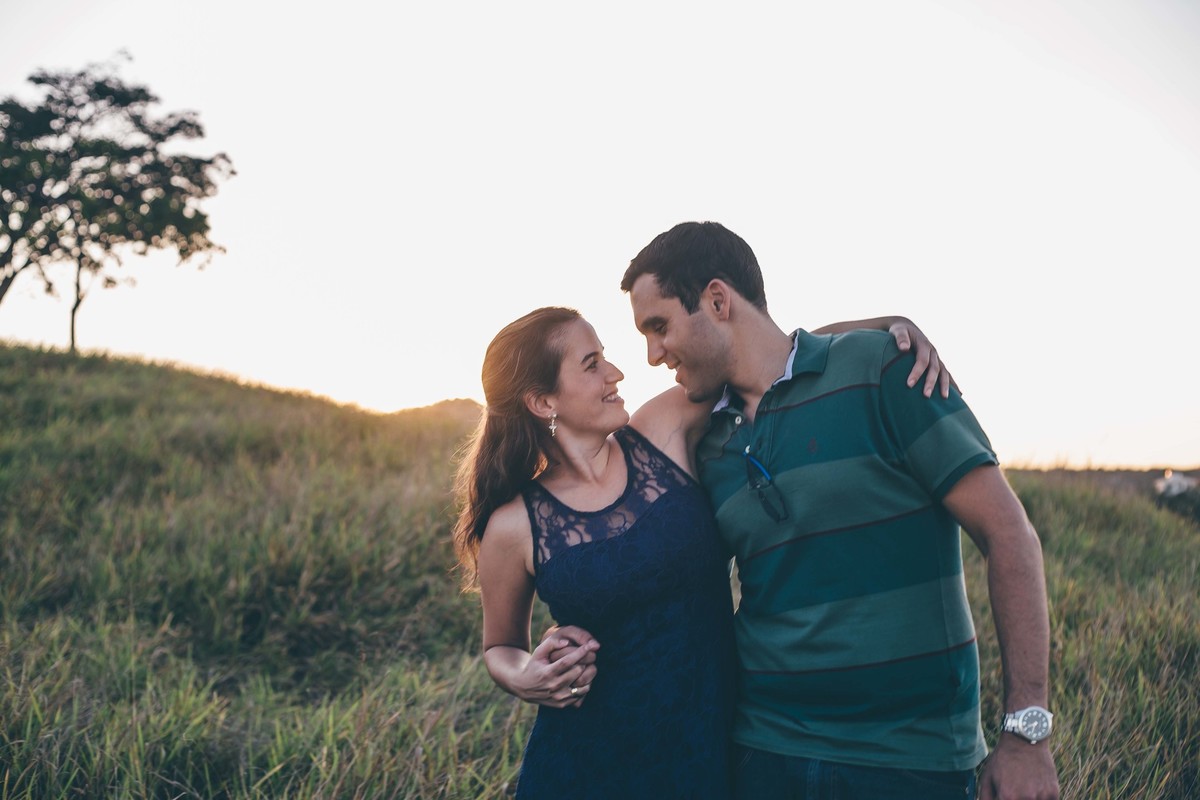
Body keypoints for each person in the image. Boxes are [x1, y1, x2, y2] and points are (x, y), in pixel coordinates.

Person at [613, 221, 1060, 800]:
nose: (652, 355)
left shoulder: (885, 369)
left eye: (659, 326)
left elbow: (1008, 535)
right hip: (762, 752)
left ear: (718, 300)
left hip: (909, 758)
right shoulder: (701, 435)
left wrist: (1026, 735)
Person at [452, 306, 951, 799]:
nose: (615, 372)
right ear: (543, 402)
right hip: (582, 765)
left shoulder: (663, 429)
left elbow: (764, 357)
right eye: (591, 364)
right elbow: (501, 646)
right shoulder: (513, 526)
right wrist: (526, 676)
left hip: (706, 745)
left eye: (604, 356)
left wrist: (884, 327)